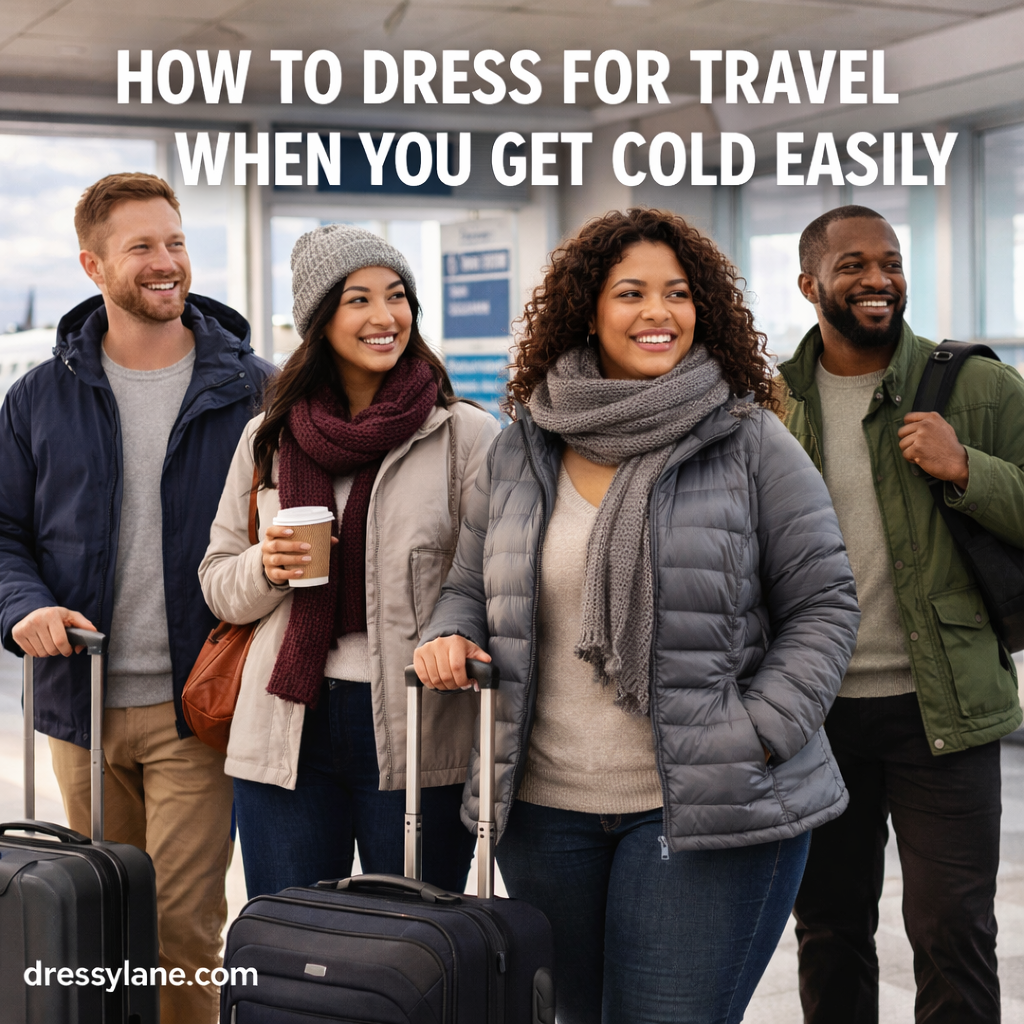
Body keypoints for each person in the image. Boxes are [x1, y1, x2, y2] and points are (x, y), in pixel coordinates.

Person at [414, 207, 860, 1024]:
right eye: (631, 293)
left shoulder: (750, 439)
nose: (659, 312)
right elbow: (470, 585)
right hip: (543, 812)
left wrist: (756, 734)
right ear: (588, 311)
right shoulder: (524, 445)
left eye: (678, 293)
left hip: (707, 805)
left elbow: (824, 605)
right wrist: (449, 631)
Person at [0, 172, 274, 1024]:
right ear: (93, 265)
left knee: (180, 930)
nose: (167, 262)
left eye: (176, 242)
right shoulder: (39, 398)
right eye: (143, 247)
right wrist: (25, 607)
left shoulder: (255, 391)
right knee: (94, 927)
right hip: (78, 703)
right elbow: (5, 534)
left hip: (199, 705)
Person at [199, 224, 499, 898]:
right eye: (358, 299)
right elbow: (218, 582)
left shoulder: (464, 436)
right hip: (285, 725)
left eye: (396, 296)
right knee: (292, 939)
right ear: (319, 320)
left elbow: (492, 578)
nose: (384, 316)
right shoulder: (268, 436)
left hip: (416, 726)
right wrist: (267, 567)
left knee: (414, 940)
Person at [780, 205, 1024, 1024]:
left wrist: (968, 469)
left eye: (889, 261)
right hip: (816, 714)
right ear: (810, 285)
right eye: (852, 265)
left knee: (953, 928)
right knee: (828, 928)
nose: (877, 278)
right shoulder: (770, 404)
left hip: (943, 706)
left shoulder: (978, 387)